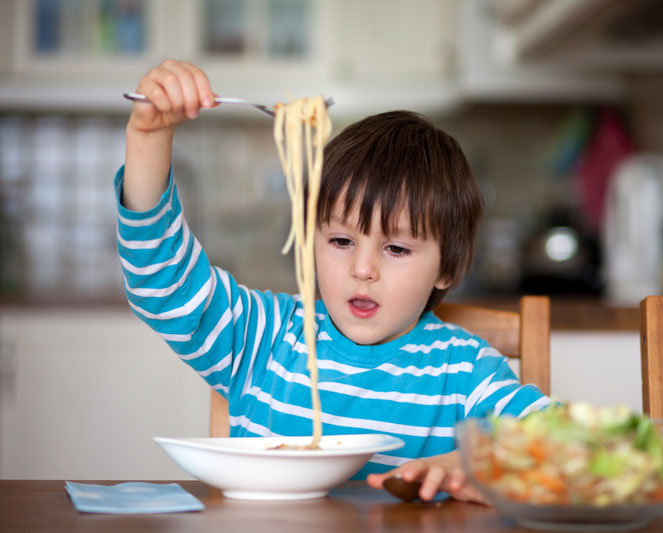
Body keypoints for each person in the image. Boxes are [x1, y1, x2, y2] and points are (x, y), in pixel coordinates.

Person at [117, 60, 551, 504]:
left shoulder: (464, 372)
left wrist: (482, 463)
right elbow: (164, 285)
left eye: (396, 249)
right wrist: (149, 136)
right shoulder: (265, 338)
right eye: (341, 240)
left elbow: (562, 442)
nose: (362, 269)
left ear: (449, 267)